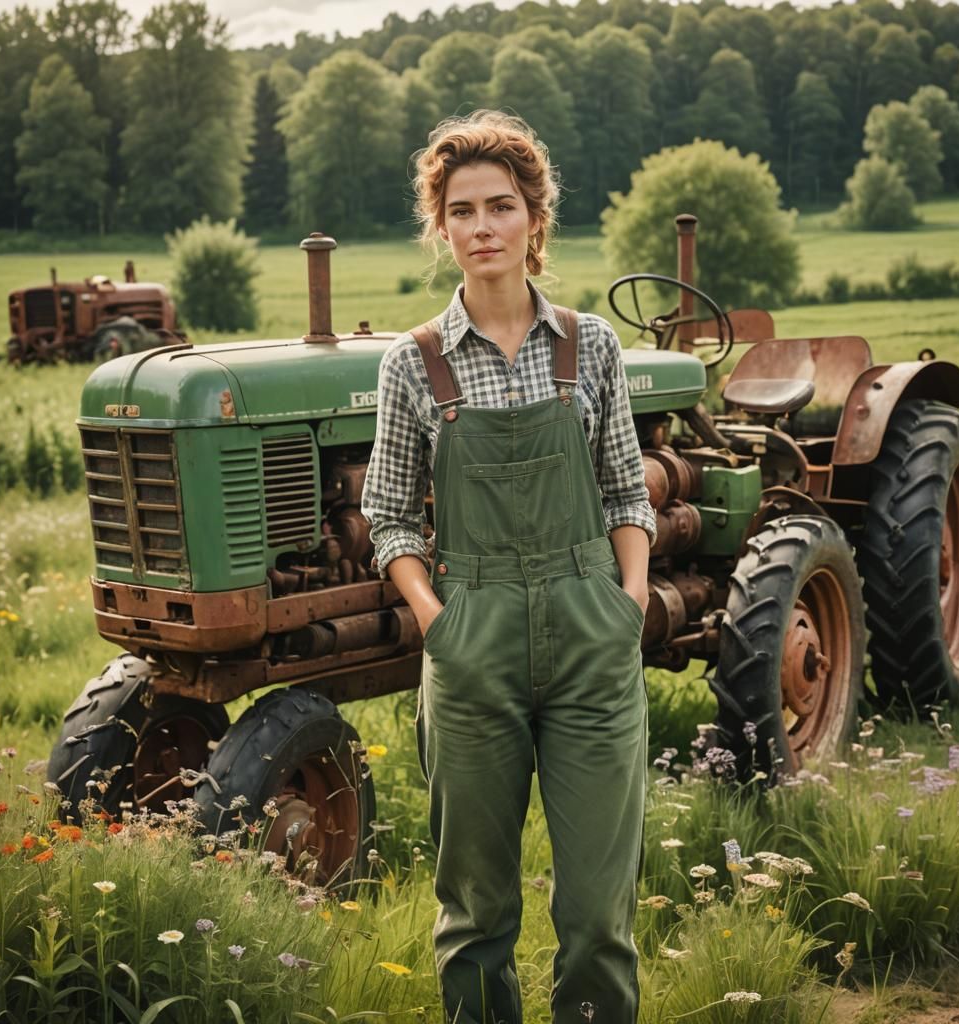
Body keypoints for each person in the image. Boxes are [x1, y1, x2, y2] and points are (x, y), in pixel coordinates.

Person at [360, 110, 657, 1024]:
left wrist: (629, 605)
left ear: (534, 219)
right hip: (472, 639)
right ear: (440, 228)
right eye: (462, 210)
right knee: (477, 912)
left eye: (501, 206)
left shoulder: (590, 346)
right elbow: (388, 516)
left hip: (590, 637)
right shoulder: (412, 365)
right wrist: (436, 619)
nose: (482, 225)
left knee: (598, 911)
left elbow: (625, 496)